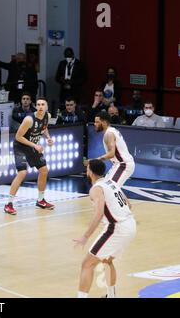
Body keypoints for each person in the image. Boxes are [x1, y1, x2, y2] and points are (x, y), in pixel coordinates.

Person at [74, 159, 136, 298]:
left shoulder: (96, 189)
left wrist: (85, 236)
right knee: (107, 261)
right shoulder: (111, 182)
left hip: (117, 228)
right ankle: (111, 295)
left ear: (90, 171)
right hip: (130, 225)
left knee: (87, 264)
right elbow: (128, 204)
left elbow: (99, 213)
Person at [4, 98, 55, 215]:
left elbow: (44, 127)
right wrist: (35, 145)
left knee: (44, 170)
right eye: (38, 104)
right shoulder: (29, 119)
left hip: (32, 146)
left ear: (46, 106)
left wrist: (48, 138)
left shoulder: (47, 116)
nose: (40, 106)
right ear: (35, 106)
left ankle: (41, 200)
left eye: (43, 104)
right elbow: (18, 137)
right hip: (21, 146)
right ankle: (8, 204)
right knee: (22, 173)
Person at [85, 112, 135, 187]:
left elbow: (111, 154)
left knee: (110, 188)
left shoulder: (109, 134)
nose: (95, 124)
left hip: (123, 164)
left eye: (97, 122)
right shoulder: (111, 130)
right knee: (105, 187)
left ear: (104, 122)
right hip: (118, 164)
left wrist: (95, 160)